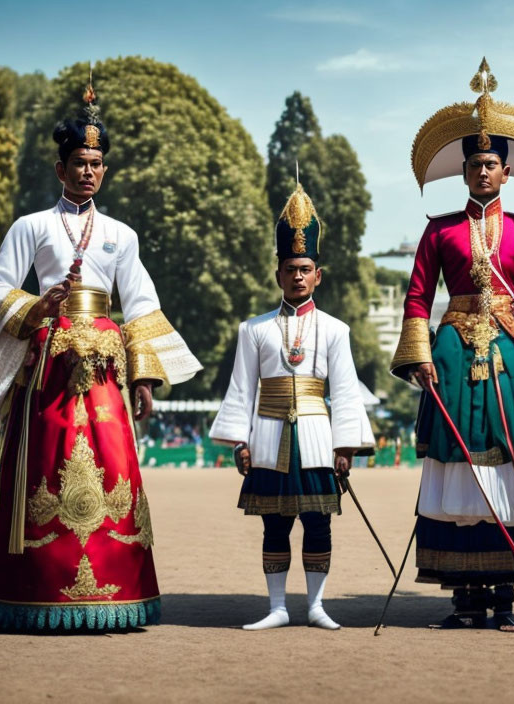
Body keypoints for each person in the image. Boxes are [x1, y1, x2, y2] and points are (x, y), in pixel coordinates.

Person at [0, 78, 202, 630]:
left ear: (104, 170)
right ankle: (32, 591)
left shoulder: (122, 235)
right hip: (47, 357)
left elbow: (141, 302)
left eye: (96, 163)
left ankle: (117, 590)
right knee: (45, 463)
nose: (88, 171)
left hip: (103, 367)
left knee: (114, 462)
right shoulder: (32, 226)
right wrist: (35, 305)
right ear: (60, 168)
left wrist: (144, 378)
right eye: (78, 161)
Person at [391, 59, 514, 631]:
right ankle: (463, 599)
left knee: (509, 468)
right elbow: (418, 296)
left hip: (513, 361)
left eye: (492, 165)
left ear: (507, 170)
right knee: (457, 473)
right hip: (450, 357)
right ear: (464, 171)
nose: (483, 173)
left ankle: (504, 599)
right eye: (475, 165)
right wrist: (419, 356)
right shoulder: (438, 229)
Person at [210, 182, 374, 631]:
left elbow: (344, 390)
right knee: (274, 528)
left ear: (317, 274)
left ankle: (317, 606)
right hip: (267, 438)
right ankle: (278, 607)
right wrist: (238, 442)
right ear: (277, 273)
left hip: (319, 439)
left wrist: (347, 446)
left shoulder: (336, 330)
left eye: (305, 269)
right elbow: (242, 388)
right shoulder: (253, 330)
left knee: (319, 524)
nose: (298, 276)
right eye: (290, 269)